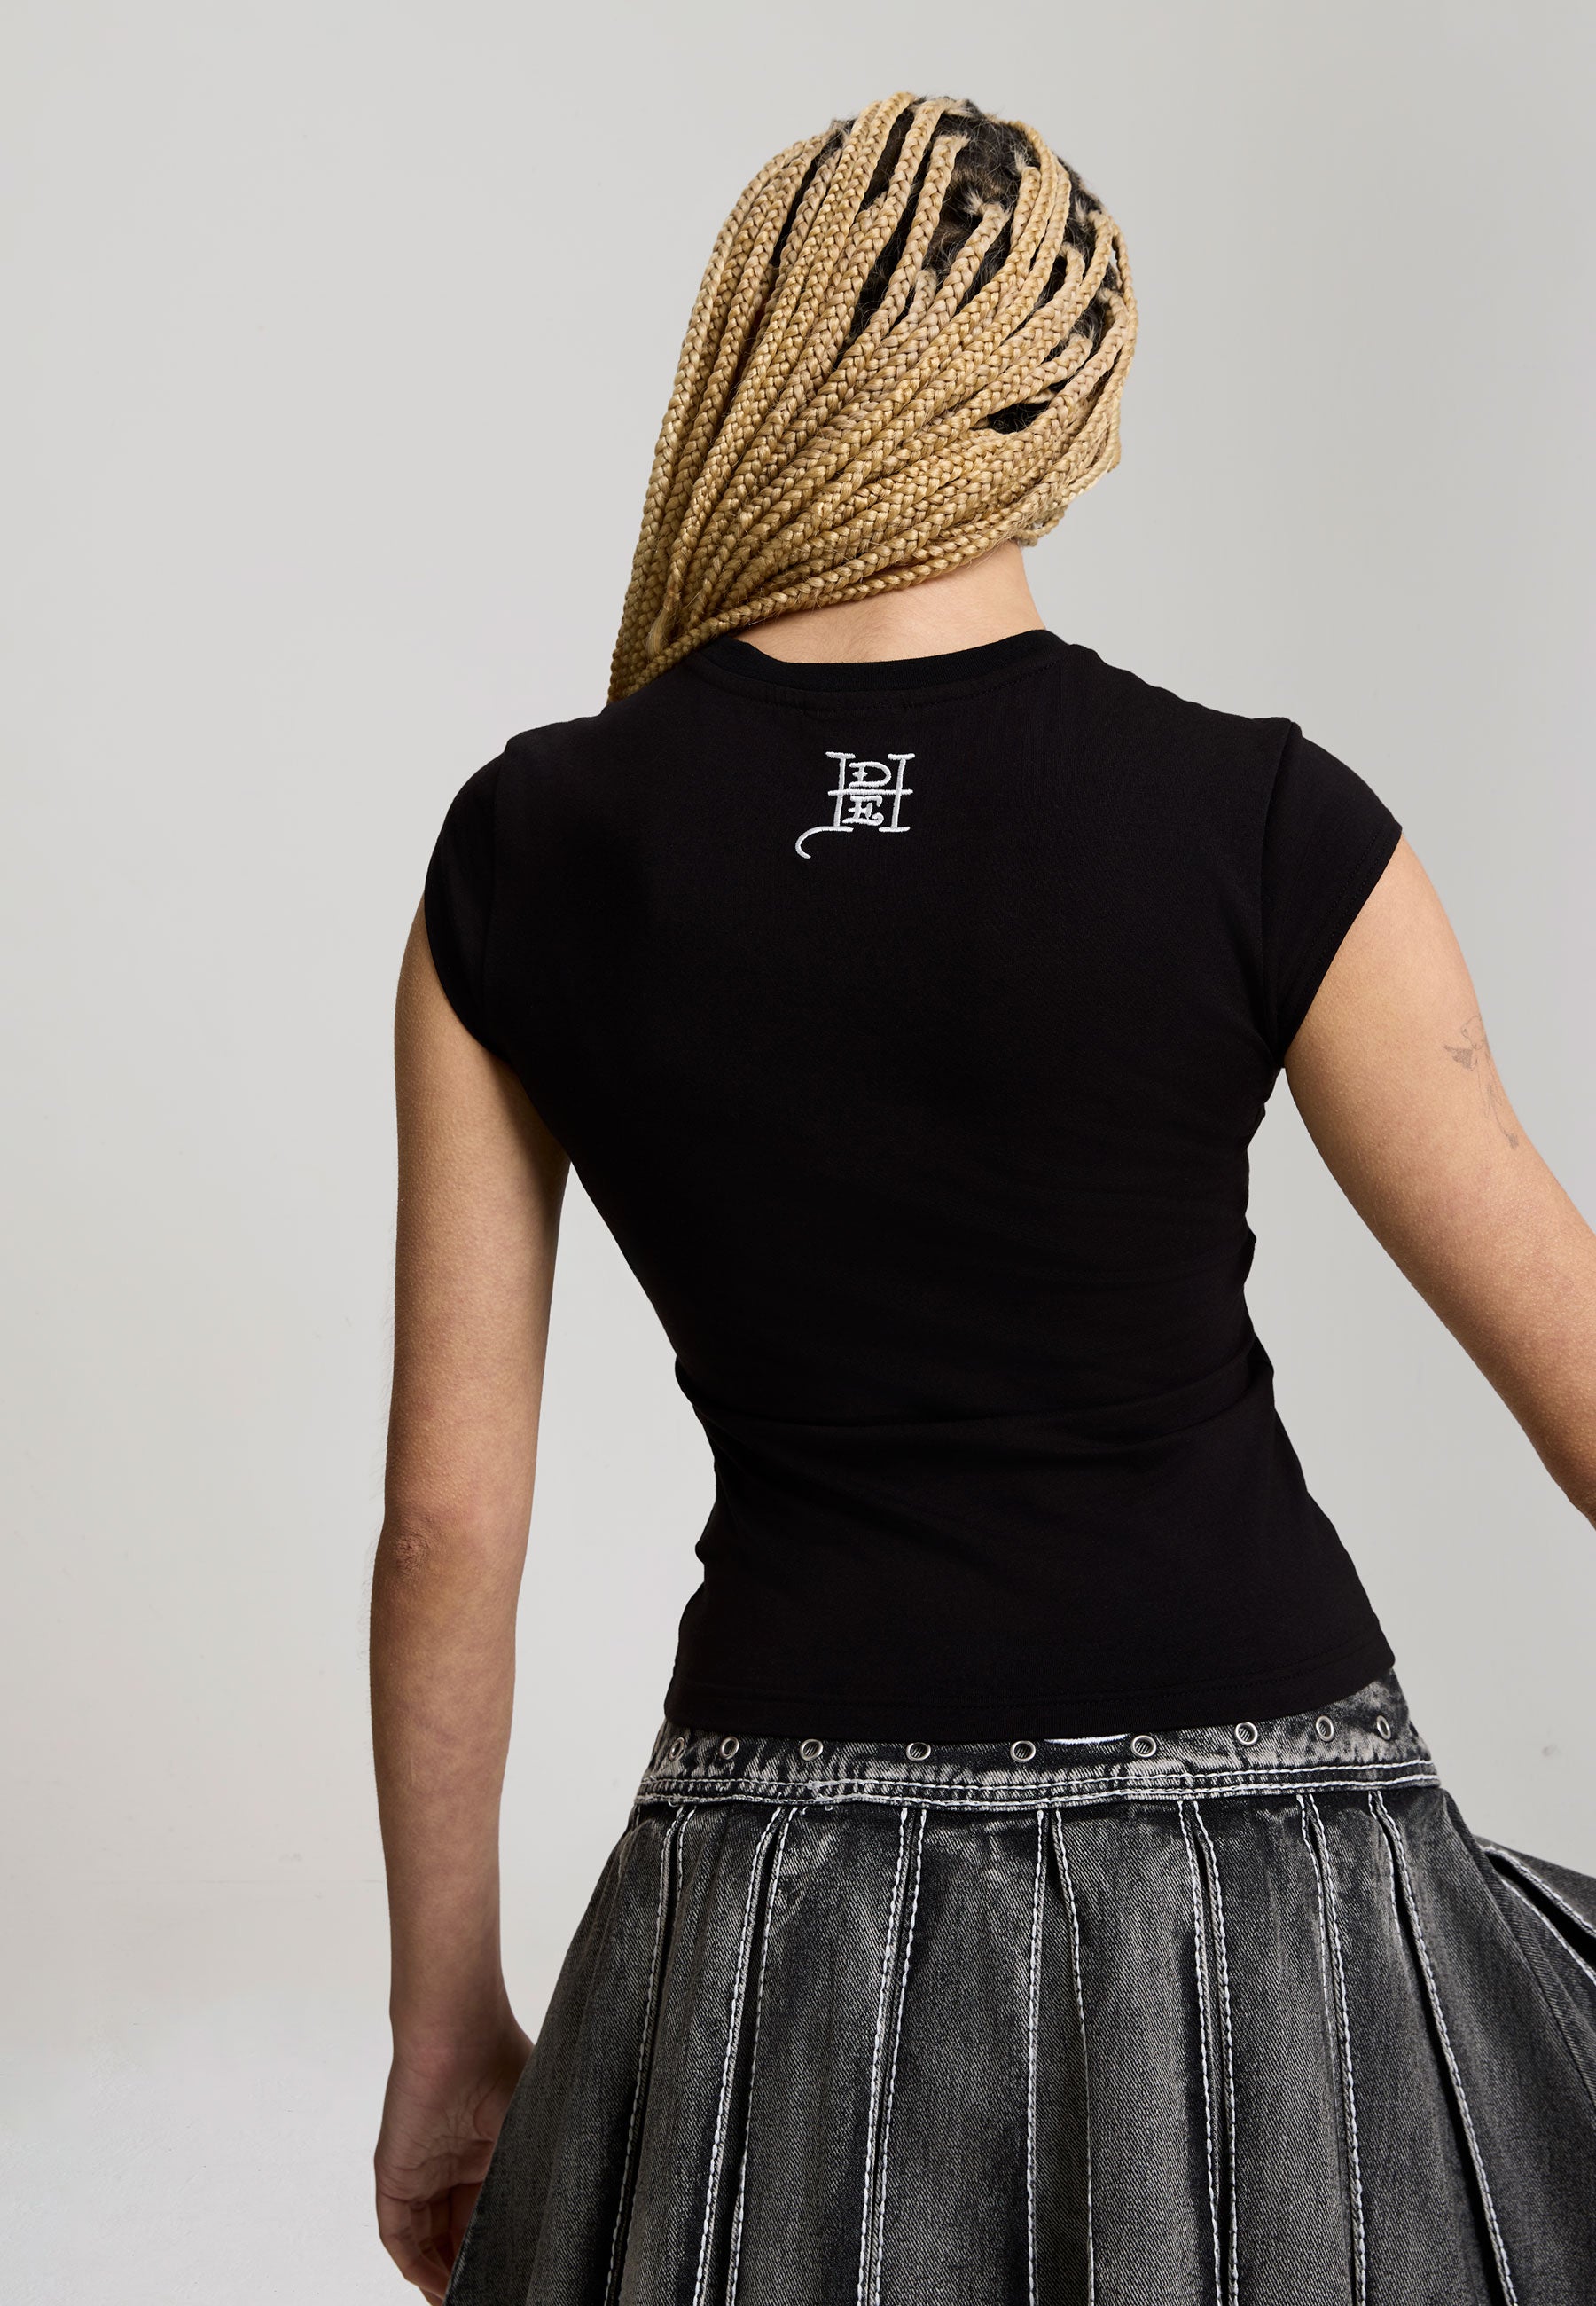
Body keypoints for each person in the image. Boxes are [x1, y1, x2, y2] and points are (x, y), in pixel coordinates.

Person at [370, 93, 1596, 2304]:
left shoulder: (531, 849)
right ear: (1075, 417)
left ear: (760, 354)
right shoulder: (1268, 822)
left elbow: (450, 1520)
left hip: (770, 1912)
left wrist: (447, 2037)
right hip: (1281, 1902)